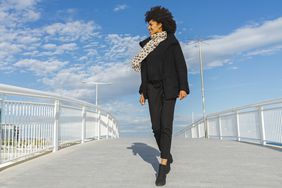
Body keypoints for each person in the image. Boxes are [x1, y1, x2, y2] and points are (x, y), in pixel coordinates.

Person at [131, 5, 190, 186]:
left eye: (151, 24)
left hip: (170, 88)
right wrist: (143, 91)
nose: (149, 27)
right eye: (148, 24)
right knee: (156, 127)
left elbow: (180, 65)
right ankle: (167, 152)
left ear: (160, 24)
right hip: (152, 89)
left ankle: (163, 166)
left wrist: (183, 87)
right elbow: (145, 72)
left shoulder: (171, 42)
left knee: (166, 125)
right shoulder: (147, 46)